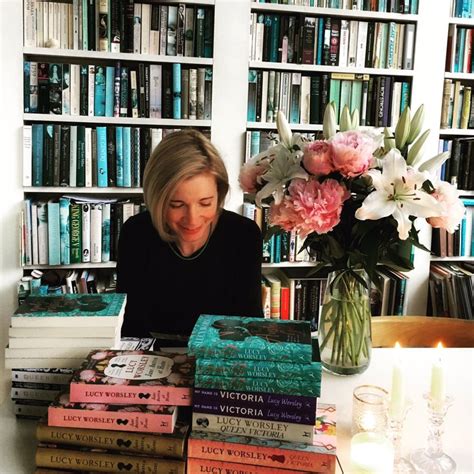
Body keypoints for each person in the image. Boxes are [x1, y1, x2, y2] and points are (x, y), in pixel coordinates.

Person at [117, 129, 263, 340]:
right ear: (157, 199)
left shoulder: (243, 236)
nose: (193, 219)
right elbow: (129, 328)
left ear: (219, 195)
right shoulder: (136, 234)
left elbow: (250, 327)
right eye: (177, 205)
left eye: (205, 203)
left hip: (221, 359)